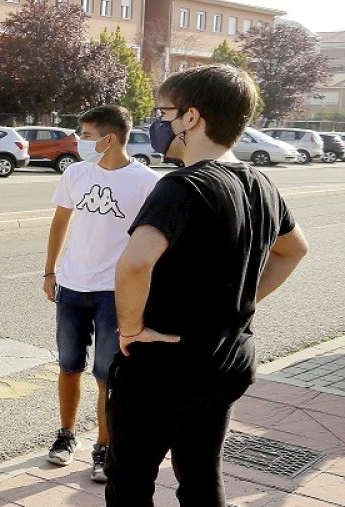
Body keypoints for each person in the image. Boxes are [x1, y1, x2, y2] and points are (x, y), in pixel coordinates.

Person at [107, 65, 309, 505]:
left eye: (164, 113)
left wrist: (130, 329)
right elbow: (294, 250)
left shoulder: (182, 186)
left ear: (191, 118)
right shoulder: (261, 184)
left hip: (165, 365)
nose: (158, 124)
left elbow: (135, 264)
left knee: (129, 479)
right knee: (200, 474)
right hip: (228, 359)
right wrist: (243, 299)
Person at [43, 105, 160, 483]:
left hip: (115, 292)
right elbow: (61, 221)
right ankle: (65, 435)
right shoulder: (76, 173)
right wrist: (50, 271)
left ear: (109, 138)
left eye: (88, 135)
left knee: (107, 375)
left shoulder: (146, 182)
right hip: (73, 286)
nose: (80, 142)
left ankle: (104, 446)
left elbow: (155, 241)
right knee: (68, 366)